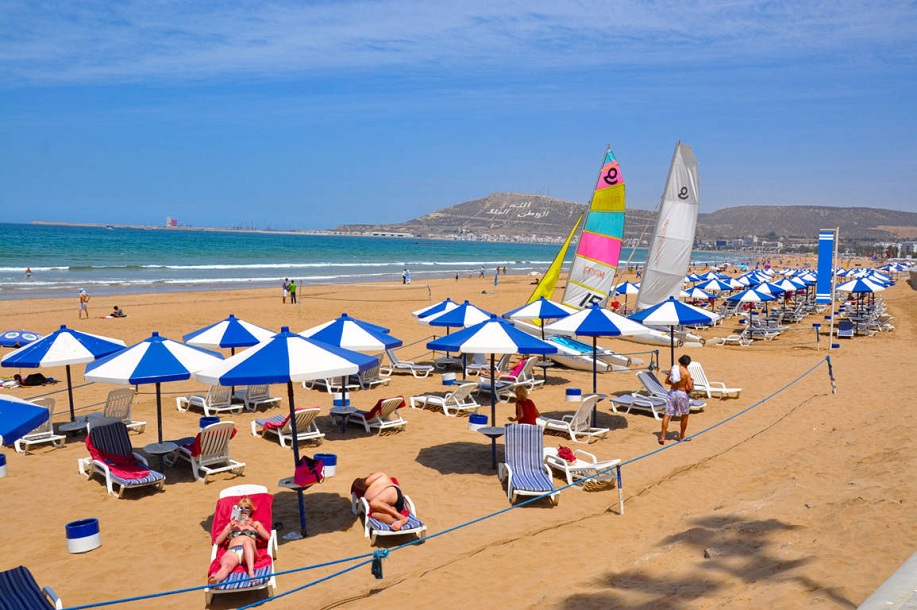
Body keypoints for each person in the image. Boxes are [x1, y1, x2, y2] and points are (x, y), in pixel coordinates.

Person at [209, 497, 271, 584]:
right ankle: (216, 580)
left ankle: (251, 572)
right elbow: (218, 541)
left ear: (251, 510)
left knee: (247, 543)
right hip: (232, 551)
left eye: (247, 508)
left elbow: (267, 537)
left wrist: (253, 525)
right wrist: (229, 527)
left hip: (249, 551)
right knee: (226, 566)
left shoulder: (255, 524)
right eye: (241, 508)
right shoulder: (232, 525)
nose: (244, 510)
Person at [659, 354, 694, 445]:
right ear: (688, 363)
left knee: (667, 414)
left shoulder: (673, 369)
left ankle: (662, 436)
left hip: (672, 393)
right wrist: (691, 384)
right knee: (685, 415)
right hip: (681, 394)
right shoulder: (686, 373)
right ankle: (682, 436)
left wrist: (675, 384)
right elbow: (690, 387)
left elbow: (667, 381)